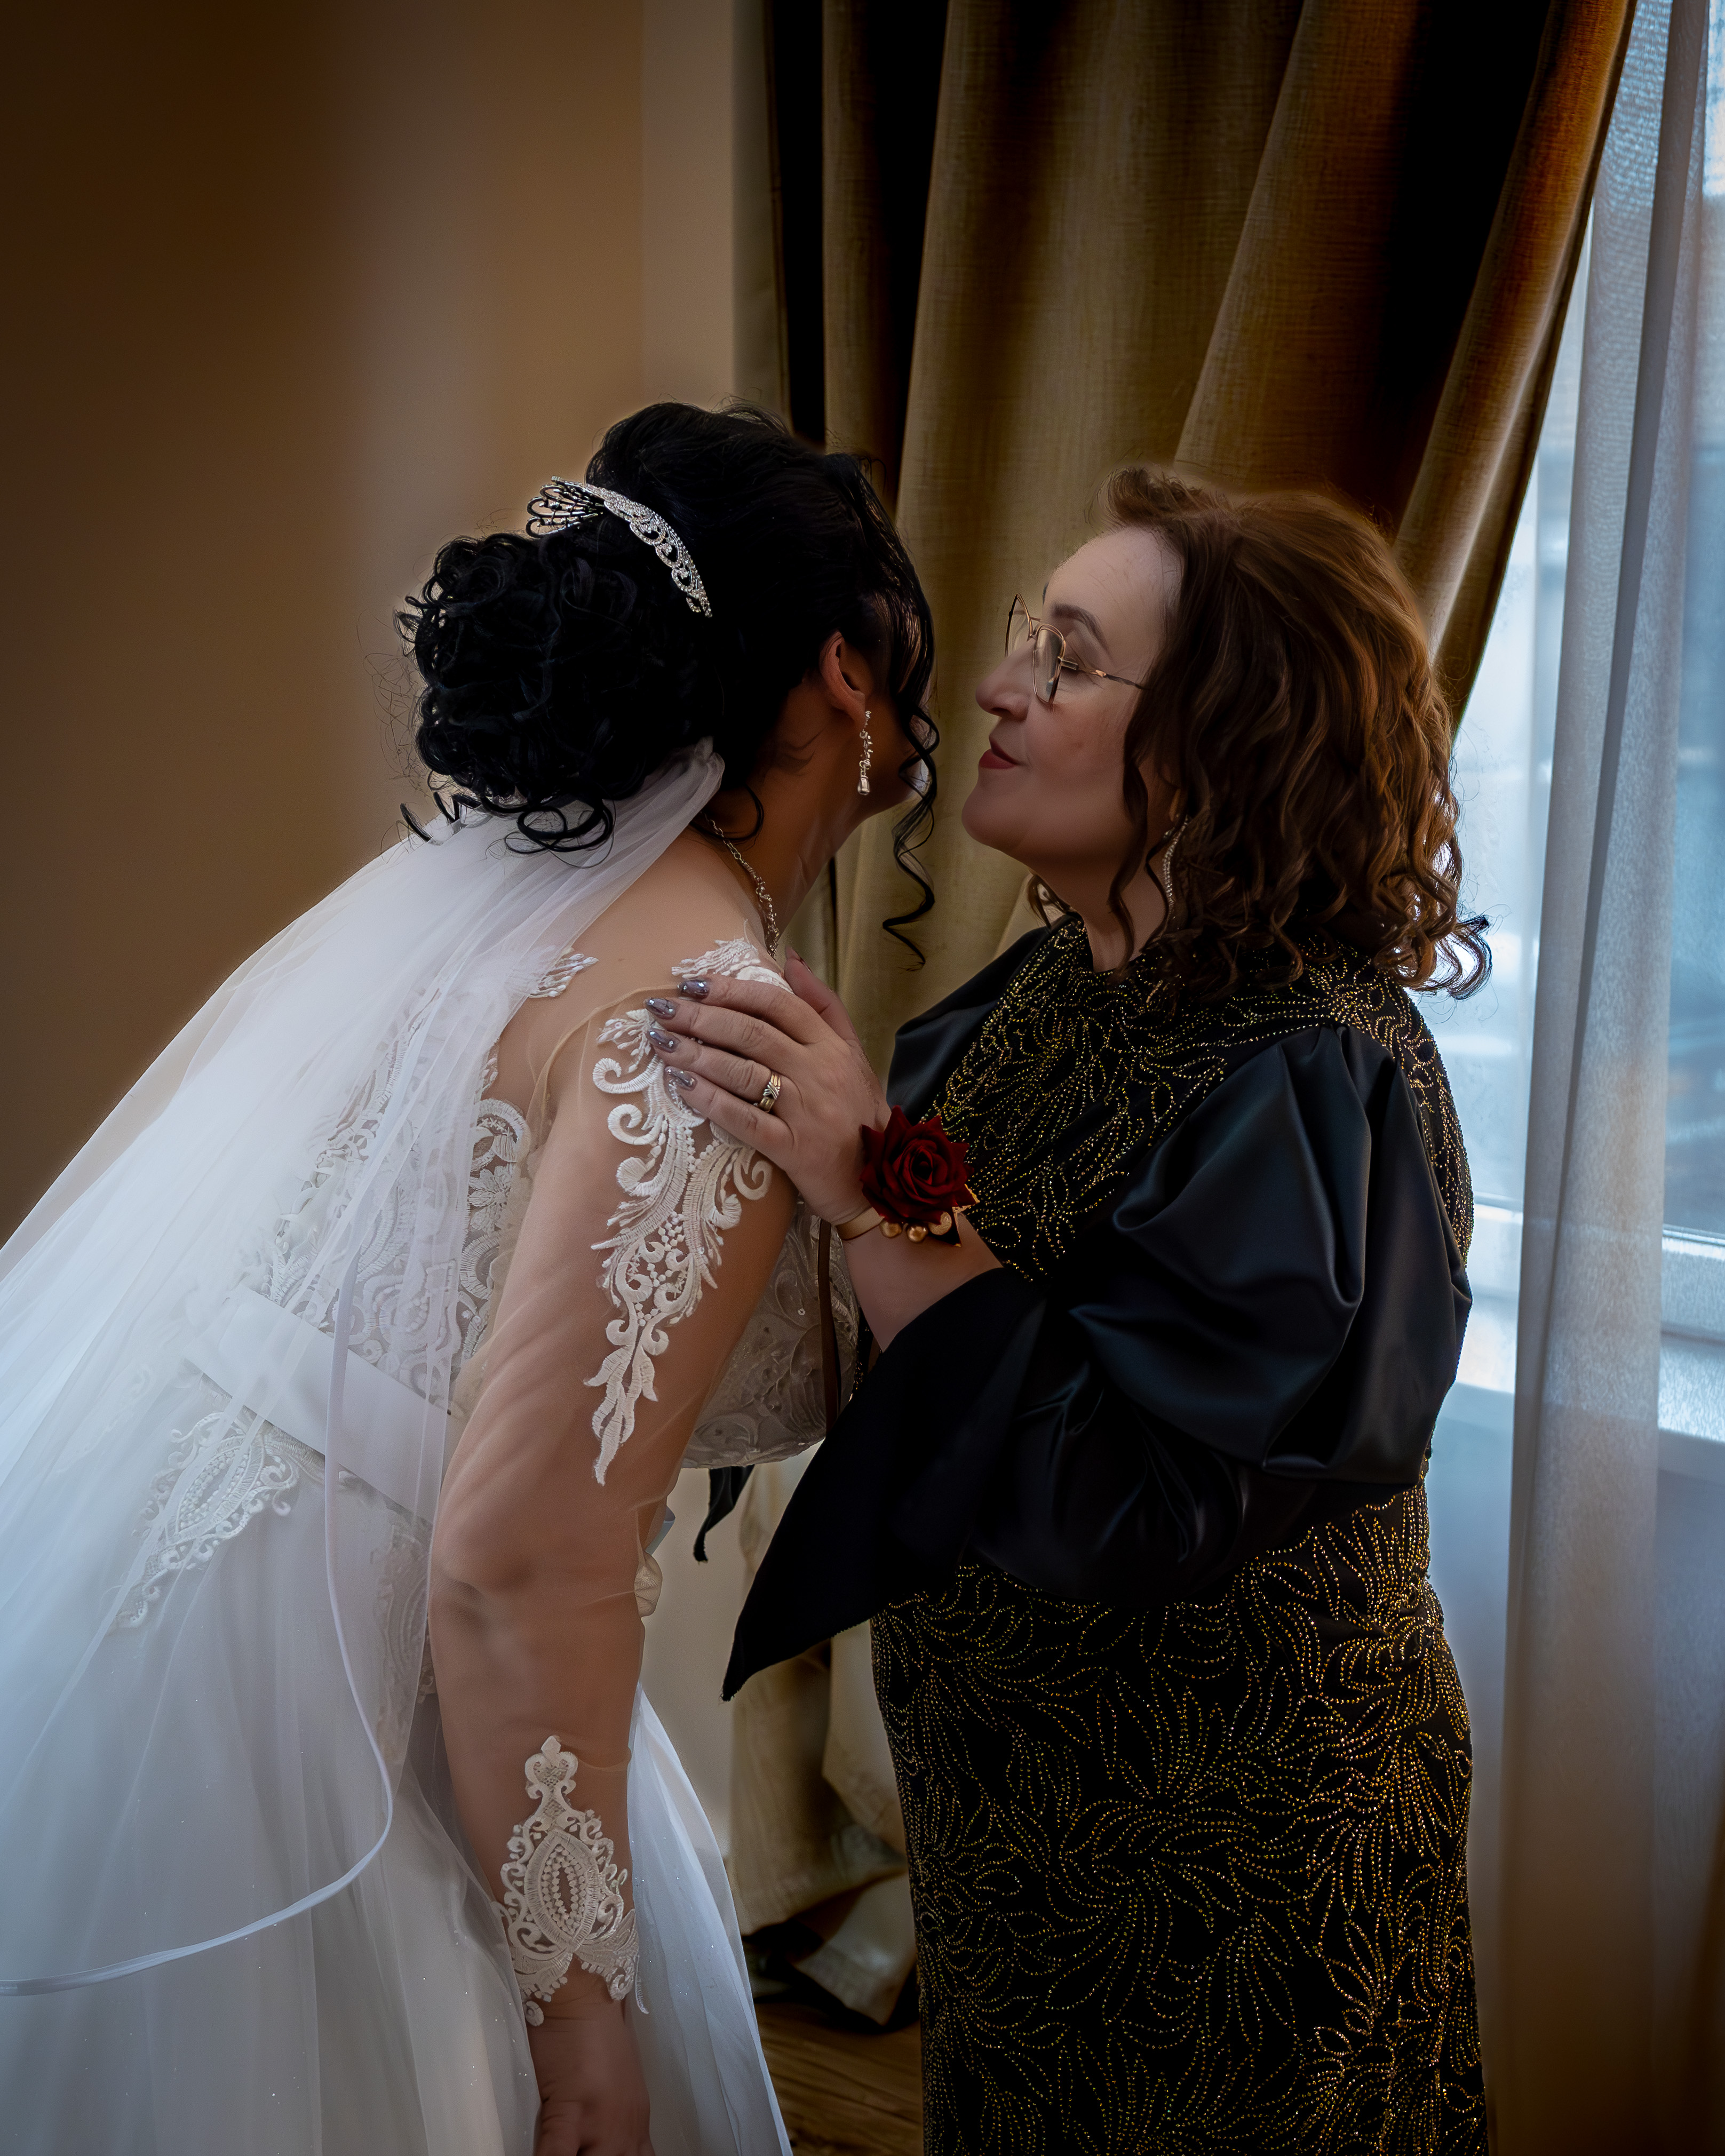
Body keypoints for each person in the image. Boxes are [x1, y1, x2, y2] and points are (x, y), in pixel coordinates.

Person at [0, 401, 935, 2156]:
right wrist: (578, 2027)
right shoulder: (709, 1033)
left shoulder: (485, 886)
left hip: (145, 1584)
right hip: (337, 1701)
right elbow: (516, 1569)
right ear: (847, 673)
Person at [650, 468, 1488, 2152]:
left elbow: (1133, 1487)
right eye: (1031, 637)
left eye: (1070, 658)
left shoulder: (1311, 1071)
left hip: (1230, 1863)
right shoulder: (1045, 991)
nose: (994, 686)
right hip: (1021, 1828)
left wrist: (867, 1179)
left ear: (1227, 743)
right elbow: (933, 1326)